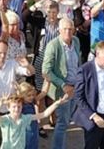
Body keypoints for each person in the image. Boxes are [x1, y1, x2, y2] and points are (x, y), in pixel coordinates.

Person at [0, 40, 34, 148]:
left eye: (5, 53)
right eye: (0, 53)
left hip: (11, 111)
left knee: (13, 140)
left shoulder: (12, 64)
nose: (2, 55)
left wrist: (27, 65)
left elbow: (30, 72)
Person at [41, 19, 81, 149]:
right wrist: (63, 85)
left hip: (75, 87)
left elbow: (77, 62)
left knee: (67, 119)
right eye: (65, 29)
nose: (68, 32)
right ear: (59, 30)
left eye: (70, 29)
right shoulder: (53, 46)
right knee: (63, 123)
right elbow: (46, 70)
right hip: (62, 89)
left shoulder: (76, 41)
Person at [0, 93, 71, 149]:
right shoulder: (6, 119)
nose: (16, 109)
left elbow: (44, 114)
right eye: (14, 107)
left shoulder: (25, 118)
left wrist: (56, 103)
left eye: (19, 107)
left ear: (22, 107)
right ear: (8, 108)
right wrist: (1, 103)